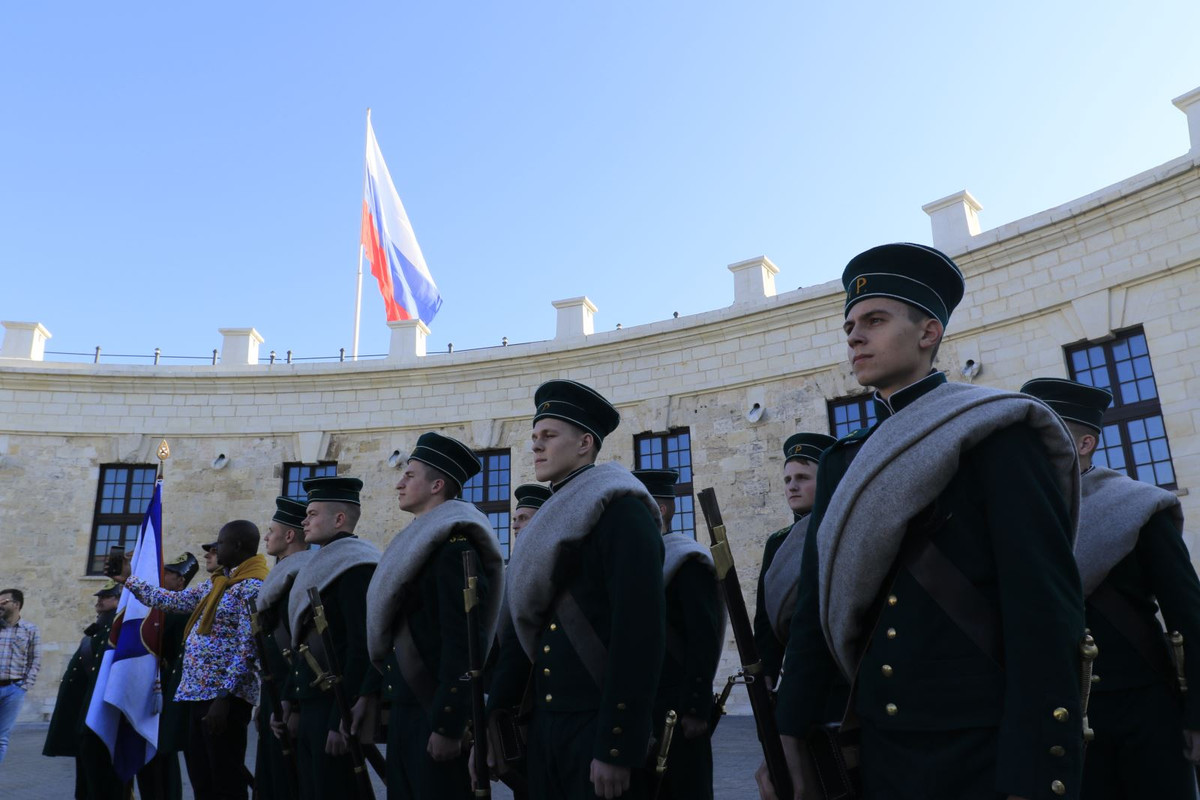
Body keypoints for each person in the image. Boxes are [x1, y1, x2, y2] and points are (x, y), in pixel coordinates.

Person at [769, 243, 1086, 800]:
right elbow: (815, 618)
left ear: (928, 332)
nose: (854, 337)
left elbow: (1042, 612)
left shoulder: (1000, 434)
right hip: (878, 740)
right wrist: (789, 737)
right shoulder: (842, 460)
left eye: (874, 320)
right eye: (850, 325)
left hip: (978, 747)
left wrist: (1038, 771)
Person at [486, 379, 665, 800]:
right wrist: (498, 720)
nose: (536, 446)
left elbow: (638, 633)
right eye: (534, 437)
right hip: (547, 723)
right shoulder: (549, 521)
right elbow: (520, 627)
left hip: (596, 724)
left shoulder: (623, 511)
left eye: (548, 436)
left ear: (585, 442)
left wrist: (617, 745)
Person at [1022, 377, 1200, 798]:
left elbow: (1188, 615)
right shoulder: (1020, 516)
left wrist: (1197, 716)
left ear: (1084, 445)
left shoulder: (1139, 506)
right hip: (1054, 713)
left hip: (1142, 710)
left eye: (1047, 432)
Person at [364, 433, 506, 799]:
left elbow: (464, 642)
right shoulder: (417, 544)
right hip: (407, 710)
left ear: (437, 485)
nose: (399, 482)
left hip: (433, 711)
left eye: (410, 475)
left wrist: (448, 724)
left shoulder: (454, 546)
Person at [117, 520, 267, 800]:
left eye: (220, 543)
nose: (215, 548)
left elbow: (248, 647)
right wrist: (129, 578)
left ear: (236, 546)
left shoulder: (251, 588)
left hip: (223, 700)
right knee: (201, 777)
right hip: (197, 695)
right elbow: (172, 601)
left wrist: (225, 696)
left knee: (225, 777)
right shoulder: (217, 583)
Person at [285, 476, 379, 800]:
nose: (304, 520)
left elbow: (361, 645)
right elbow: (301, 639)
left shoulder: (356, 566)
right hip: (312, 703)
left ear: (339, 519)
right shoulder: (323, 562)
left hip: (335, 704)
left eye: (312, 514)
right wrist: (292, 700)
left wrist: (344, 713)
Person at [633, 468, 723, 800]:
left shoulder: (686, 559)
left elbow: (704, 637)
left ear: (663, 509)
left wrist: (696, 708)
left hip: (676, 706)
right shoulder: (636, 562)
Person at [752, 433, 835, 688]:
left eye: (802, 478)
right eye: (788, 479)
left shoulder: (837, 531)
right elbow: (767, 617)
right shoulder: (778, 543)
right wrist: (766, 673)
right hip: (797, 672)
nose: (792, 486)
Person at [42, 581, 128, 799]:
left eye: (106, 596)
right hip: (86, 714)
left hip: (101, 717)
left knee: (101, 779)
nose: (99, 600)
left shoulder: (116, 631)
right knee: (86, 777)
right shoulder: (99, 629)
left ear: (119, 600)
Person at [255, 496, 312, 800]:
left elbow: (302, 648)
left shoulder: (300, 579)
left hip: (290, 697)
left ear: (289, 536)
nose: (266, 536)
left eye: (271, 530)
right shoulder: (279, 579)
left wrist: (294, 703)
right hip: (274, 696)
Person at [137, 552, 201, 800]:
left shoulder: (179, 612)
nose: (161, 577)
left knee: (162, 750)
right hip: (154, 686)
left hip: (166, 688)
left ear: (180, 581)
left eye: (168, 574)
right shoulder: (157, 608)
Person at [0, 587, 39, 765]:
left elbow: (35, 659)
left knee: (2, 738)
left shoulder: (30, 630)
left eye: (4, 601)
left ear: (16, 605)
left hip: (13, 690)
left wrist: (24, 686)